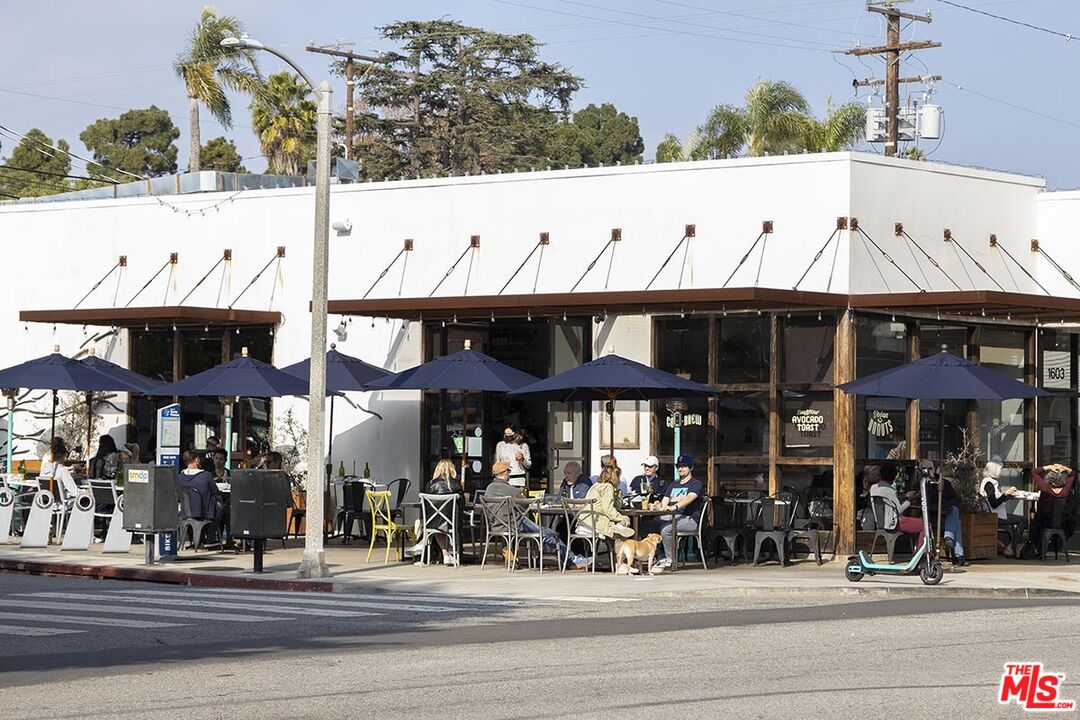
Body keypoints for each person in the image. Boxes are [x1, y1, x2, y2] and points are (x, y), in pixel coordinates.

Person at [485, 460, 592, 570]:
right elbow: (526, 505)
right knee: (550, 534)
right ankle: (572, 560)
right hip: (515, 525)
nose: (509, 473)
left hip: (496, 526)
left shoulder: (488, 489)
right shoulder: (511, 490)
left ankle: (569, 559)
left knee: (555, 529)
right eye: (508, 471)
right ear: (504, 473)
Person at [649, 454, 704, 570]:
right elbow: (665, 501)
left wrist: (676, 506)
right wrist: (660, 507)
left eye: (684, 466)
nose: (680, 469)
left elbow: (690, 497)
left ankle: (670, 559)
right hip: (672, 516)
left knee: (666, 529)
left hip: (690, 519)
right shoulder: (674, 484)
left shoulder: (696, 484)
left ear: (691, 468)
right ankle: (658, 556)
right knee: (649, 525)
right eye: (678, 466)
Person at [406, 459, 460, 566]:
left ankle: (422, 544)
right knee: (443, 522)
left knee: (430, 523)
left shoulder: (431, 484)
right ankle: (446, 554)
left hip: (432, 523)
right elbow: (461, 505)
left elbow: (425, 505)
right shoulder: (456, 486)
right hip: (450, 522)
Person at [869, 463, 925, 549]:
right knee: (924, 525)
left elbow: (887, 501)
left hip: (881, 523)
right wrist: (909, 501)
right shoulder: (889, 490)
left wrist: (904, 496)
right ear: (893, 477)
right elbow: (899, 510)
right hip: (893, 523)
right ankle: (921, 554)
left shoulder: (873, 488)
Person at [923, 461, 966, 566]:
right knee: (956, 523)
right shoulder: (923, 484)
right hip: (930, 517)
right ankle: (958, 555)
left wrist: (946, 506)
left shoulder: (944, 483)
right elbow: (924, 503)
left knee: (954, 511)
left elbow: (956, 499)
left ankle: (949, 538)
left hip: (944, 516)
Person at [577, 464, 635, 542]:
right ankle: (619, 530)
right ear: (615, 477)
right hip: (595, 522)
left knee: (616, 521)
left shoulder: (595, 486)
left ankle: (618, 527)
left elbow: (616, 506)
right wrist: (622, 518)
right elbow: (608, 509)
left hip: (583, 522)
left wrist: (617, 491)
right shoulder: (607, 487)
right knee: (625, 520)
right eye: (619, 477)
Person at [179, 450, 226, 542]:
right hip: (205, 512)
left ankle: (197, 538)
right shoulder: (206, 475)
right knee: (224, 509)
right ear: (196, 460)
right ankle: (212, 537)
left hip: (186, 512)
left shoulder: (180, 477)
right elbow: (215, 492)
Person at [980, 461, 1028, 545]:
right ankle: (1014, 545)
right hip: (996, 516)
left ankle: (1012, 545)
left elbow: (997, 500)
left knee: (1019, 520)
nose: (1001, 472)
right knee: (1023, 520)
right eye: (1000, 470)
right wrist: (1006, 494)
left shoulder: (988, 482)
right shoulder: (989, 484)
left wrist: (1008, 495)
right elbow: (994, 504)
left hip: (994, 514)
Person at [1032, 463, 1075, 551]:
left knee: (1035, 519)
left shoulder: (1045, 488)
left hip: (1044, 522)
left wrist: (1048, 467)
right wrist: (1064, 468)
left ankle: (1038, 547)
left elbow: (1034, 472)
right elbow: (1073, 474)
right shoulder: (1065, 490)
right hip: (1061, 523)